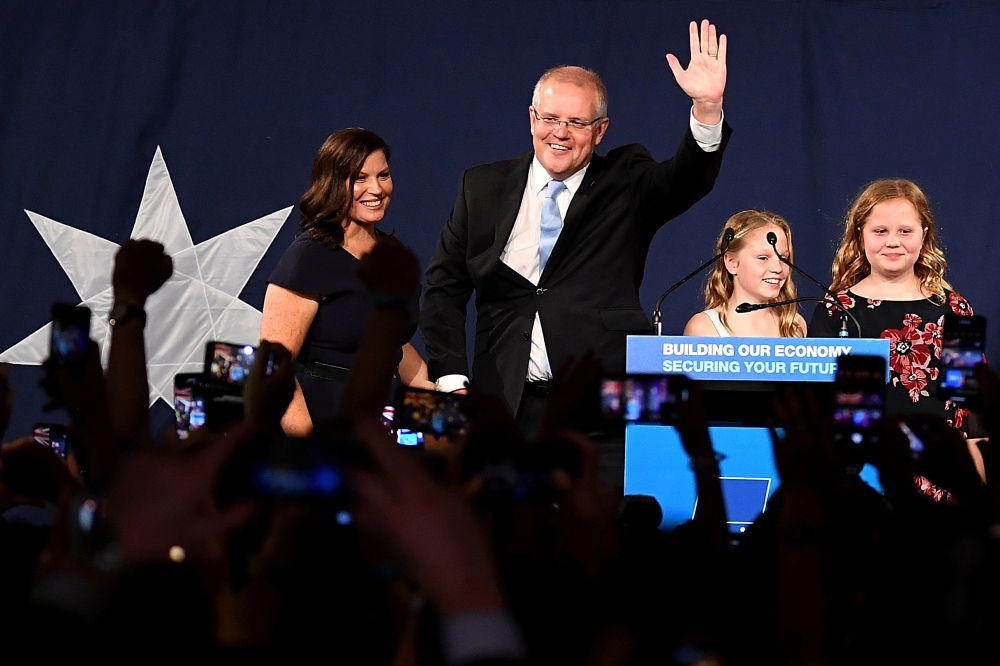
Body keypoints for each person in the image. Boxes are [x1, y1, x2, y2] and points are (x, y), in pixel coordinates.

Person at [421, 20, 732, 465]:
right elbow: (442, 289)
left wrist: (706, 108)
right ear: (532, 119)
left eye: (576, 122)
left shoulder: (625, 180)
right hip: (502, 407)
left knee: (600, 532)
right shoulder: (482, 187)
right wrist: (452, 379)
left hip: (602, 413)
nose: (559, 133)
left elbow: (685, 179)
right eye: (549, 119)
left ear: (601, 130)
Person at [261, 128, 432, 436]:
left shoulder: (392, 257)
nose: (376, 188)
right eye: (359, 178)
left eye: (383, 175)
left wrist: (432, 391)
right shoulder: (308, 258)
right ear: (333, 184)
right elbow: (275, 370)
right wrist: (310, 452)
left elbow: (391, 343)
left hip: (385, 427)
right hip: (324, 425)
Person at [809, 179, 985, 477]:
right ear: (860, 235)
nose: (893, 241)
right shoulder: (834, 311)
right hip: (862, 478)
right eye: (880, 231)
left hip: (941, 473)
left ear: (924, 235)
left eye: (905, 231)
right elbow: (818, 408)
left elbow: (972, 408)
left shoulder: (954, 309)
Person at [683, 210, 806, 338]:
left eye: (784, 258)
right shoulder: (704, 328)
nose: (778, 268)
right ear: (732, 263)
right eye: (763, 258)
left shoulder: (794, 325)